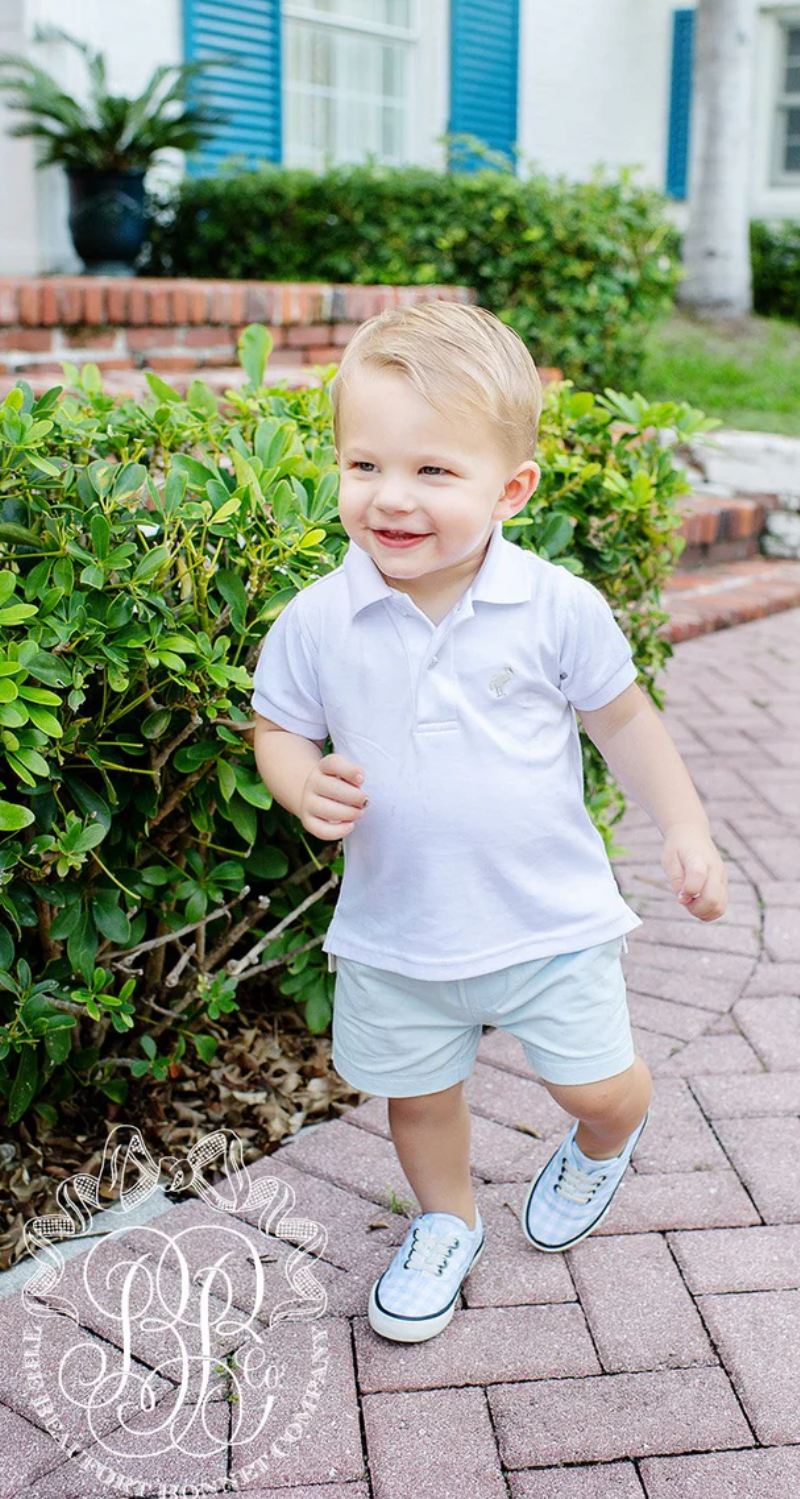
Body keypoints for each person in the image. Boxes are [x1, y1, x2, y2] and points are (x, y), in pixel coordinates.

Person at [250, 301, 728, 1344]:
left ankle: (608, 1138)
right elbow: (276, 724)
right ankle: (443, 1218)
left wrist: (683, 825)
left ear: (509, 488)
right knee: (416, 1098)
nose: (390, 497)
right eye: (364, 464)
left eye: (432, 471)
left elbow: (622, 720)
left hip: (547, 920)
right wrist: (296, 783)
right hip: (398, 928)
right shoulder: (318, 619)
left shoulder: (555, 606)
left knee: (592, 1085)